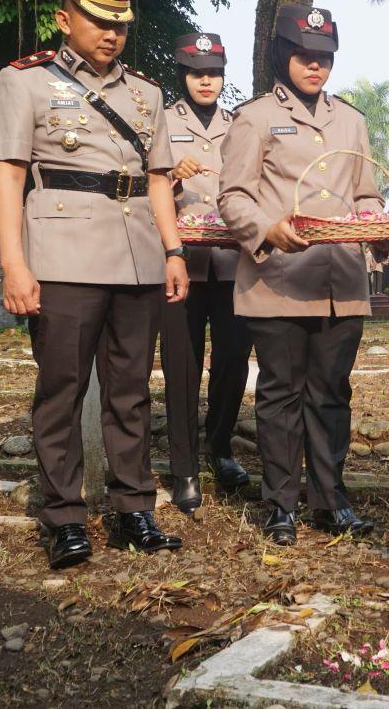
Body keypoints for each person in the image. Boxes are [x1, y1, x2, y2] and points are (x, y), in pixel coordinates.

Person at [0, 0, 185, 569]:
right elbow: (8, 176)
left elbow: (158, 180)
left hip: (137, 256)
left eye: (120, 24)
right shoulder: (24, 81)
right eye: (99, 21)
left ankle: (133, 510)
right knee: (61, 391)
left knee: (130, 392)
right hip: (63, 256)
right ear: (63, 19)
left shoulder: (148, 94)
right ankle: (65, 517)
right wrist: (14, 264)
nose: (111, 34)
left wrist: (173, 250)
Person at [218, 3, 389, 546]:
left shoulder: (352, 120)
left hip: (341, 281)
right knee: (281, 395)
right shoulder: (253, 118)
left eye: (324, 57)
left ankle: (331, 501)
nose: (315, 66)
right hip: (279, 280)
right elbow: (233, 196)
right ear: (282, 56)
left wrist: (378, 226)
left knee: (332, 394)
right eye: (304, 55)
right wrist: (266, 229)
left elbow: (366, 194)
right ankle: (280, 505)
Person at [158, 31, 254, 514]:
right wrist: (173, 175)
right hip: (181, 265)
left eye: (214, 73)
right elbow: (145, 185)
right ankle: (185, 468)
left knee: (233, 360)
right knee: (182, 365)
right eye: (197, 73)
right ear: (183, 75)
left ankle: (220, 448)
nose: (206, 81)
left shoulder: (240, 125)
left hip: (233, 263)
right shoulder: (160, 121)